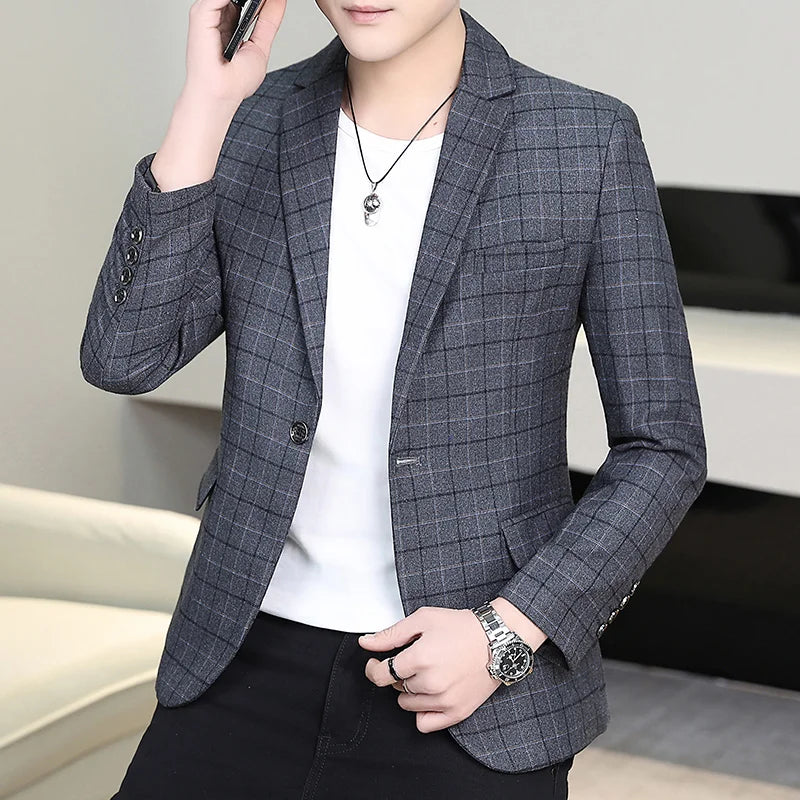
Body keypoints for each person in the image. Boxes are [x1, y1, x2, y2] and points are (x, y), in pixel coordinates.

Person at [80, 0, 707, 797]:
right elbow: (123, 357)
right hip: (238, 653)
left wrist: (505, 634)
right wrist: (204, 103)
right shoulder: (250, 121)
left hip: (469, 685)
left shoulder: (583, 139)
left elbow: (664, 446)